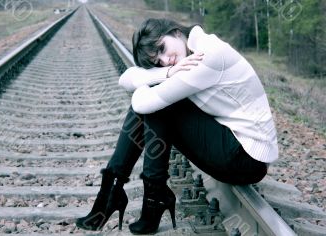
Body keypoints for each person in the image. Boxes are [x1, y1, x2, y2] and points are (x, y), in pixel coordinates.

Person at [76, 18, 278, 235]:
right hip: (234, 146)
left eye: (162, 48)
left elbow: (141, 102)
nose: (166, 60)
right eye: (159, 61)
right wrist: (166, 73)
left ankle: (128, 197)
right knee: (156, 97)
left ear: (175, 32)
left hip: (247, 158)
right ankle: (128, 195)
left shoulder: (208, 55)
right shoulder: (188, 54)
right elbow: (125, 79)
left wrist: (157, 79)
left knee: (156, 105)